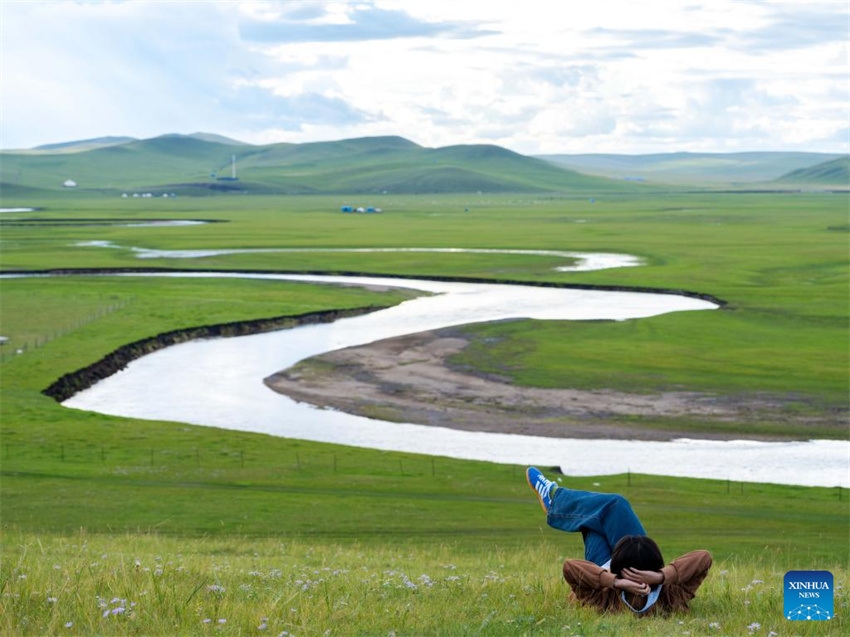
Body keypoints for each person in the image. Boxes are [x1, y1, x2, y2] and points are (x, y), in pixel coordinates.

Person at [525, 467, 712, 615]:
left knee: (604, 512)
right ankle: (554, 498)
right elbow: (704, 557)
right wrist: (660, 577)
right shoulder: (669, 597)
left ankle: (554, 498)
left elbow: (570, 567)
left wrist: (614, 581)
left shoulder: (603, 600)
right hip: (634, 558)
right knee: (607, 510)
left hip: (603, 569)